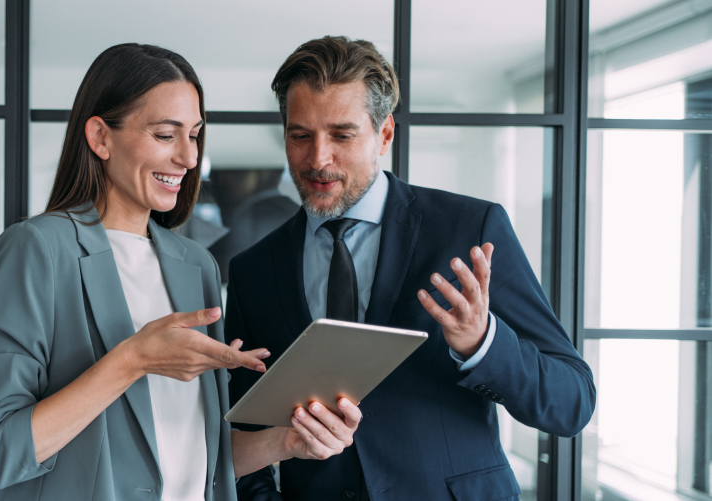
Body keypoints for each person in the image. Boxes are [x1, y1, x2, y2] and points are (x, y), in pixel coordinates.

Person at [0, 43, 362, 500]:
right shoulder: (35, 251)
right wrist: (133, 359)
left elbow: (196, 458)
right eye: (165, 135)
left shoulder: (196, 265)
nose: (189, 159)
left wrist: (285, 443)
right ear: (100, 137)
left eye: (194, 135)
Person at [226, 36, 596, 500]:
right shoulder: (252, 270)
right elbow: (243, 427)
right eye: (300, 135)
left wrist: (483, 343)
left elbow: (572, 403)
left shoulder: (470, 228)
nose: (318, 159)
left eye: (342, 135)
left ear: (384, 134)